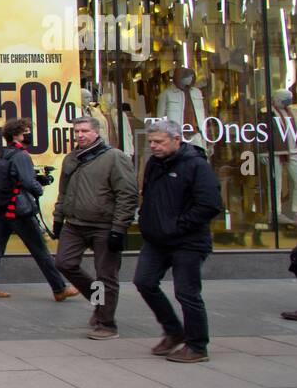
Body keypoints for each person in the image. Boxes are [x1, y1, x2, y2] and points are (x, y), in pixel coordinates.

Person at [132, 118, 223, 363]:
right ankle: (174, 331)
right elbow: (149, 196)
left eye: (159, 141)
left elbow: (210, 204)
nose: (154, 146)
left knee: (187, 293)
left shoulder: (196, 165)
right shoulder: (154, 164)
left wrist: (179, 225)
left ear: (176, 140)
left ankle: (197, 346)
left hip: (188, 241)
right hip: (157, 239)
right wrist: (148, 222)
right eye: (151, 141)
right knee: (144, 281)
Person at [51, 116, 138, 339]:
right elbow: (64, 192)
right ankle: (100, 303)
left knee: (105, 275)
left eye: (85, 131)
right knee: (64, 263)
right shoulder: (71, 159)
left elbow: (127, 194)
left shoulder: (114, 157)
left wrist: (119, 227)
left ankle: (106, 323)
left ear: (97, 132)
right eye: (77, 131)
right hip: (74, 223)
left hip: (104, 226)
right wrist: (58, 218)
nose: (80, 135)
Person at [0, 117, 78, 302]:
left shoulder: (5, 154)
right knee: (39, 248)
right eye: (26, 132)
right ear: (15, 135)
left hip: (3, 209)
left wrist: (35, 179)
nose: (29, 134)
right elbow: (26, 181)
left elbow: (14, 177)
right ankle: (59, 288)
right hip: (19, 211)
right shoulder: (21, 155)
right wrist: (39, 188)